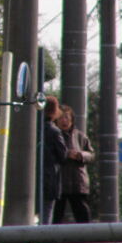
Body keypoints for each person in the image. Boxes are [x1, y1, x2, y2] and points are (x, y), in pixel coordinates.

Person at [51, 103, 94, 224]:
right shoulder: (54, 134)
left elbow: (92, 155)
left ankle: (87, 236)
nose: (64, 121)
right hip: (59, 181)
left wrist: (80, 155)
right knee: (56, 214)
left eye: (67, 118)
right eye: (61, 118)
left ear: (72, 120)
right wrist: (66, 154)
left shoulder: (80, 136)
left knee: (82, 213)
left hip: (78, 181)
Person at [41, 95, 69, 224]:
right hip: (50, 175)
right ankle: (42, 238)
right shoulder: (55, 131)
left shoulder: (35, 128)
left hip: (34, 177)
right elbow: (63, 154)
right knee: (47, 210)